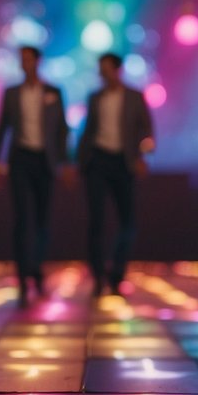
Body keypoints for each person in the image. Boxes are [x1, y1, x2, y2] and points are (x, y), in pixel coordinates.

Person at [0, 45, 69, 305]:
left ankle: (36, 266)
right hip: (20, 158)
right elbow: (2, 126)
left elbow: (61, 130)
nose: (25, 64)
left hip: (44, 160)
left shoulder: (54, 92)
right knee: (23, 218)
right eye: (21, 59)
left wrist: (66, 161)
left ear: (37, 62)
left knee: (43, 219)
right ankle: (23, 275)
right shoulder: (12, 93)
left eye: (28, 59)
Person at [77, 53, 154, 298]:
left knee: (127, 221)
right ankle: (98, 275)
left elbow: (146, 129)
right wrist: (79, 161)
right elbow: (87, 131)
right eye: (101, 69)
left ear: (118, 70)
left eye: (106, 69)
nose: (102, 74)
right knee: (96, 221)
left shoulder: (134, 96)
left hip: (124, 162)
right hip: (98, 161)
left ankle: (117, 272)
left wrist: (142, 155)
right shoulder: (95, 98)